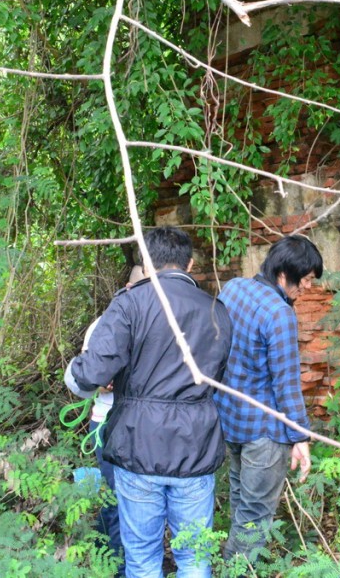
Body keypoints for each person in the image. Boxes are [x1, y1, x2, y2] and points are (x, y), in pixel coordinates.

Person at [69, 228, 232, 578]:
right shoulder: (217, 311)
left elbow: (89, 375)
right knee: (195, 557)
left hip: (138, 447)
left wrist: (76, 373)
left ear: (145, 264)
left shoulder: (129, 304)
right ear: (190, 263)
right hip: (196, 449)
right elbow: (220, 376)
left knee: (142, 556)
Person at [214, 235, 323, 564]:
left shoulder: (233, 288)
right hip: (264, 432)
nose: (306, 289)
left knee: (239, 500)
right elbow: (287, 383)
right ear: (283, 274)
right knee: (254, 515)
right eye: (304, 281)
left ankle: (230, 564)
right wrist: (300, 436)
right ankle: (236, 571)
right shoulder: (279, 313)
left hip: (230, 421)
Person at [64, 265, 145, 573]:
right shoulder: (104, 324)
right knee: (116, 498)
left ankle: (114, 555)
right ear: (127, 287)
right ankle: (117, 565)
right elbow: (82, 376)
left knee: (131, 499)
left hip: (141, 424)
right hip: (109, 422)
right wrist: (99, 380)